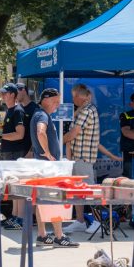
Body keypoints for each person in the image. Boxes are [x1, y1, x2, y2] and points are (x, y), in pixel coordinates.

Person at [30, 88, 78, 247]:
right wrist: (49, 154)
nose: (57, 106)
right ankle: (59, 236)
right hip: (48, 167)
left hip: (42, 165)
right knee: (54, 200)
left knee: (41, 201)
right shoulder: (42, 115)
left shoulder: (38, 114)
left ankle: (42, 235)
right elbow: (40, 132)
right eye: (56, 102)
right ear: (46, 99)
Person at [63, 83, 101, 235]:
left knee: (89, 190)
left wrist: (58, 141)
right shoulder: (83, 110)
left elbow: (73, 133)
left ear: (83, 96)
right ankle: (79, 221)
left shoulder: (86, 111)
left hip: (83, 157)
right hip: (77, 157)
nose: (74, 99)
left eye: (75, 96)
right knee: (77, 191)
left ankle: (98, 222)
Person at [0, 83, 27, 230]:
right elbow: (6, 134)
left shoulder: (18, 111)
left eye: (5, 93)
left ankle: (20, 218)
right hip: (9, 152)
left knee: (17, 186)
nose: (2, 95)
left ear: (13, 95)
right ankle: (14, 215)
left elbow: (20, 134)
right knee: (13, 187)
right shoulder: (9, 110)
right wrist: (0, 134)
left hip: (15, 153)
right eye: (1, 93)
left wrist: (1, 135)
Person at [16, 82, 38, 156]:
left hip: (30, 152)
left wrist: (31, 150)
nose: (15, 95)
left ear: (23, 90)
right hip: (18, 150)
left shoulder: (35, 108)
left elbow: (37, 131)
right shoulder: (18, 109)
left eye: (16, 92)